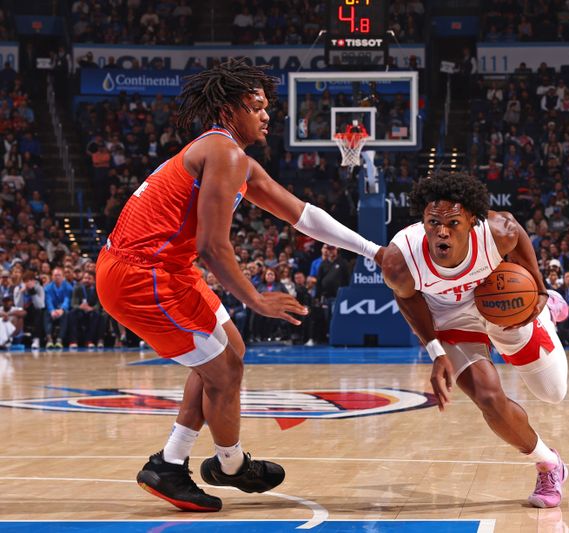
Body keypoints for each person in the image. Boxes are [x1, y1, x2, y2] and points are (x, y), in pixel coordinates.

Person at [96, 59, 384, 512]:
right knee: (225, 370)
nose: (266, 115)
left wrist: (374, 251)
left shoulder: (236, 160)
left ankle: (174, 462)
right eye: (256, 106)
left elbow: (303, 214)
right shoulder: (223, 152)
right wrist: (255, 299)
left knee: (230, 347)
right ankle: (228, 465)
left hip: (166, 268)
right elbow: (212, 246)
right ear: (230, 111)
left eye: (266, 106)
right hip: (140, 273)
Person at [380, 172, 568, 508]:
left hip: (500, 301)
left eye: (452, 222)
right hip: (451, 318)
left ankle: (547, 308)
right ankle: (548, 463)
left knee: (553, 393)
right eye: (433, 221)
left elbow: (519, 235)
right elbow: (409, 300)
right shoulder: (401, 259)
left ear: (471, 220)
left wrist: (538, 289)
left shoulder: (497, 232)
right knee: (488, 398)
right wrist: (434, 349)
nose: (442, 230)